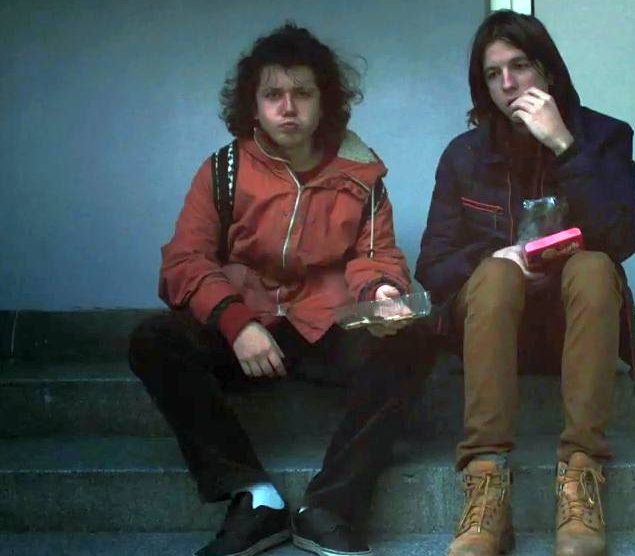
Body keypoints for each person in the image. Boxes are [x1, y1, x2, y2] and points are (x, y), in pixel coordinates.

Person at [128, 22, 432, 556]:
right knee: (152, 340)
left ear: (324, 101)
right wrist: (236, 323)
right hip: (247, 331)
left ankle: (331, 506)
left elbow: (376, 256)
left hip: (325, 328)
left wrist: (382, 294)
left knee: (414, 340)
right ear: (254, 104)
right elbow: (185, 260)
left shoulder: (361, 174)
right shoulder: (223, 170)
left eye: (302, 93)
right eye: (273, 94)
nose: (288, 108)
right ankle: (254, 497)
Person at [415, 10, 635, 556]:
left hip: (574, 326)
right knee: (494, 273)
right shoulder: (465, 154)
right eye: (494, 74)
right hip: (495, 331)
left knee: (593, 265)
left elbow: (621, 239)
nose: (509, 84)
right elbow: (432, 266)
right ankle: (486, 482)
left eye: (520, 66)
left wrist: (564, 145)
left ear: (548, 71)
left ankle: (581, 477)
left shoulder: (604, 137)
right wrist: (495, 254)